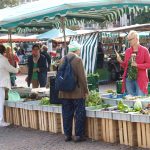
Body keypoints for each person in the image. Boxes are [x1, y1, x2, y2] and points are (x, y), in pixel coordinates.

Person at [58, 41, 89, 142]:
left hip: (64, 92)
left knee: (66, 113)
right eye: (79, 49)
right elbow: (82, 77)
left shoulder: (62, 59)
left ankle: (67, 135)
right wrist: (86, 90)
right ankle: (79, 135)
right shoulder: (77, 60)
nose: (80, 51)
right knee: (79, 113)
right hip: (77, 92)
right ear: (76, 50)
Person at [116, 30, 150, 96]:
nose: (129, 41)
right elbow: (125, 65)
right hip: (129, 79)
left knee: (140, 100)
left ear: (136, 39)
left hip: (140, 79)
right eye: (128, 40)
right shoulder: (128, 51)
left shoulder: (144, 50)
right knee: (130, 99)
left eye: (130, 39)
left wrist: (137, 65)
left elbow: (149, 64)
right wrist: (120, 61)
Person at [0, 44, 19, 127]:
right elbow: (10, 68)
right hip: (1, 83)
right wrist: (17, 70)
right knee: (0, 103)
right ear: (3, 52)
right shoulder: (3, 59)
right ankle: (1, 121)